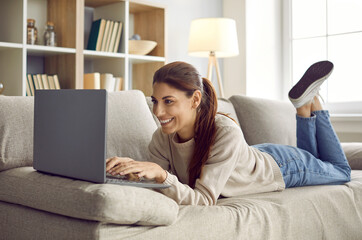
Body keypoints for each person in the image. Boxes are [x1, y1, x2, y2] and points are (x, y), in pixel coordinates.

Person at [106, 61, 351, 206]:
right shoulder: (162, 137)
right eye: (155, 101)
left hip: (284, 166)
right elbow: (160, 185)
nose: (158, 112)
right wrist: (133, 170)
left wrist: (161, 175)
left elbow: (202, 200)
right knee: (314, 156)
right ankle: (303, 107)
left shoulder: (223, 131)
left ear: (195, 99)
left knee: (340, 170)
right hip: (250, 157)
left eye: (168, 101)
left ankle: (314, 105)